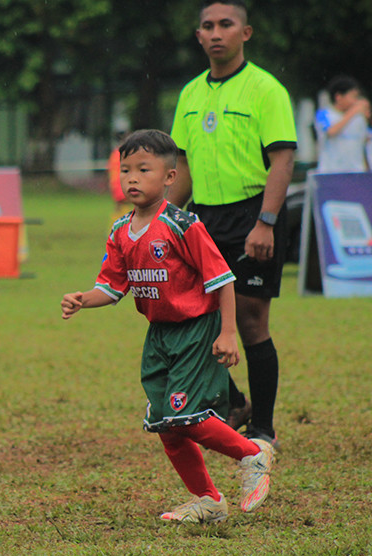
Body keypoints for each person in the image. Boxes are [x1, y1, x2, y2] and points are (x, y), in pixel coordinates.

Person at [61, 129, 275, 524]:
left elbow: (222, 279)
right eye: (126, 170)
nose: (132, 178)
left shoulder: (182, 224)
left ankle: (252, 453)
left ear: (170, 177)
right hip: (159, 335)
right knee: (165, 424)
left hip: (196, 329)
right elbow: (110, 288)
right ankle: (208, 501)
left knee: (187, 416)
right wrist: (82, 300)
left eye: (144, 169)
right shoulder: (120, 231)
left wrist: (228, 332)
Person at [169, 0, 296, 447]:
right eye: (208, 26)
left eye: (226, 24)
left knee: (250, 319)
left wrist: (266, 221)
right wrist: (159, 218)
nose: (216, 32)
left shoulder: (266, 89)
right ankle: (235, 402)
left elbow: (283, 159)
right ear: (199, 36)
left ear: (246, 33)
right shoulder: (190, 94)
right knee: (195, 317)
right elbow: (181, 165)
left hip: (253, 213)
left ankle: (262, 429)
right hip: (203, 220)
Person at [314, 75, 370, 173]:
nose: (356, 101)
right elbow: (331, 131)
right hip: (331, 172)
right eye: (353, 97)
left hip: (356, 172)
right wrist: (353, 112)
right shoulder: (323, 114)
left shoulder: (358, 118)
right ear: (338, 97)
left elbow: (365, 141)